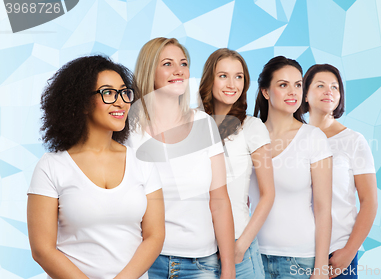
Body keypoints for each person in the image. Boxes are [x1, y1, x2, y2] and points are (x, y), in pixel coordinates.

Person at [27, 55, 165, 279]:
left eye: (124, 92)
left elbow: (155, 235)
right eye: (108, 93)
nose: (121, 102)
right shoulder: (51, 166)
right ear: (81, 103)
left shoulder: (142, 162)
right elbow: (42, 250)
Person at [127, 38, 235, 279]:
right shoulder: (128, 130)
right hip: (142, 261)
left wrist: (228, 268)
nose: (179, 71)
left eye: (183, 63)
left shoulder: (204, 125)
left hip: (199, 264)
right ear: (149, 71)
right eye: (168, 63)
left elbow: (219, 201)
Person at [251, 56, 333, 279]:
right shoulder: (247, 134)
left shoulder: (313, 138)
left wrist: (321, 267)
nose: (293, 92)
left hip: (299, 260)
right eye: (283, 85)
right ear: (265, 92)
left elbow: (323, 208)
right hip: (251, 256)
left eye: (298, 85)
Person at [199, 48, 274, 278]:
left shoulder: (252, 127)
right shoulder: (194, 122)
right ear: (209, 80)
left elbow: (268, 194)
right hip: (199, 247)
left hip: (238, 243)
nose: (232, 83)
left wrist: (241, 245)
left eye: (238, 76)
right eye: (223, 76)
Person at [301, 64, 377, 279]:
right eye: (320, 85)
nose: (329, 91)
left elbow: (369, 201)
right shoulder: (294, 138)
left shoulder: (353, 141)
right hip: (296, 253)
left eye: (335, 87)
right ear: (305, 94)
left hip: (338, 253)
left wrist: (349, 252)